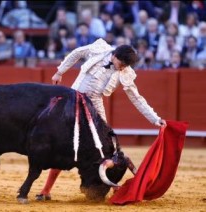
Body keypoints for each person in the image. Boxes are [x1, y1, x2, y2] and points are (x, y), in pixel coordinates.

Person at [36, 38, 167, 201]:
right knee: (64, 144)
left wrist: (155, 119)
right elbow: (77, 53)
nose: (123, 68)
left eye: (127, 66)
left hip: (95, 107)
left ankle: (106, 185)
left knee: (106, 148)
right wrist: (60, 71)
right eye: (123, 64)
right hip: (72, 101)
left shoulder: (125, 73)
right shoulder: (99, 49)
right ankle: (46, 190)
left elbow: (137, 98)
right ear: (115, 56)